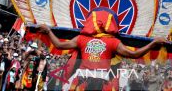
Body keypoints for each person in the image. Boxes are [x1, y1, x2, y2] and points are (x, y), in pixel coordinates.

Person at [37, 8, 167, 91]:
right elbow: (133, 54)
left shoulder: (82, 39)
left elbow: (60, 45)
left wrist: (48, 31)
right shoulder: (111, 41)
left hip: (85, 83)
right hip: (95, 83)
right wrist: (152, 44)